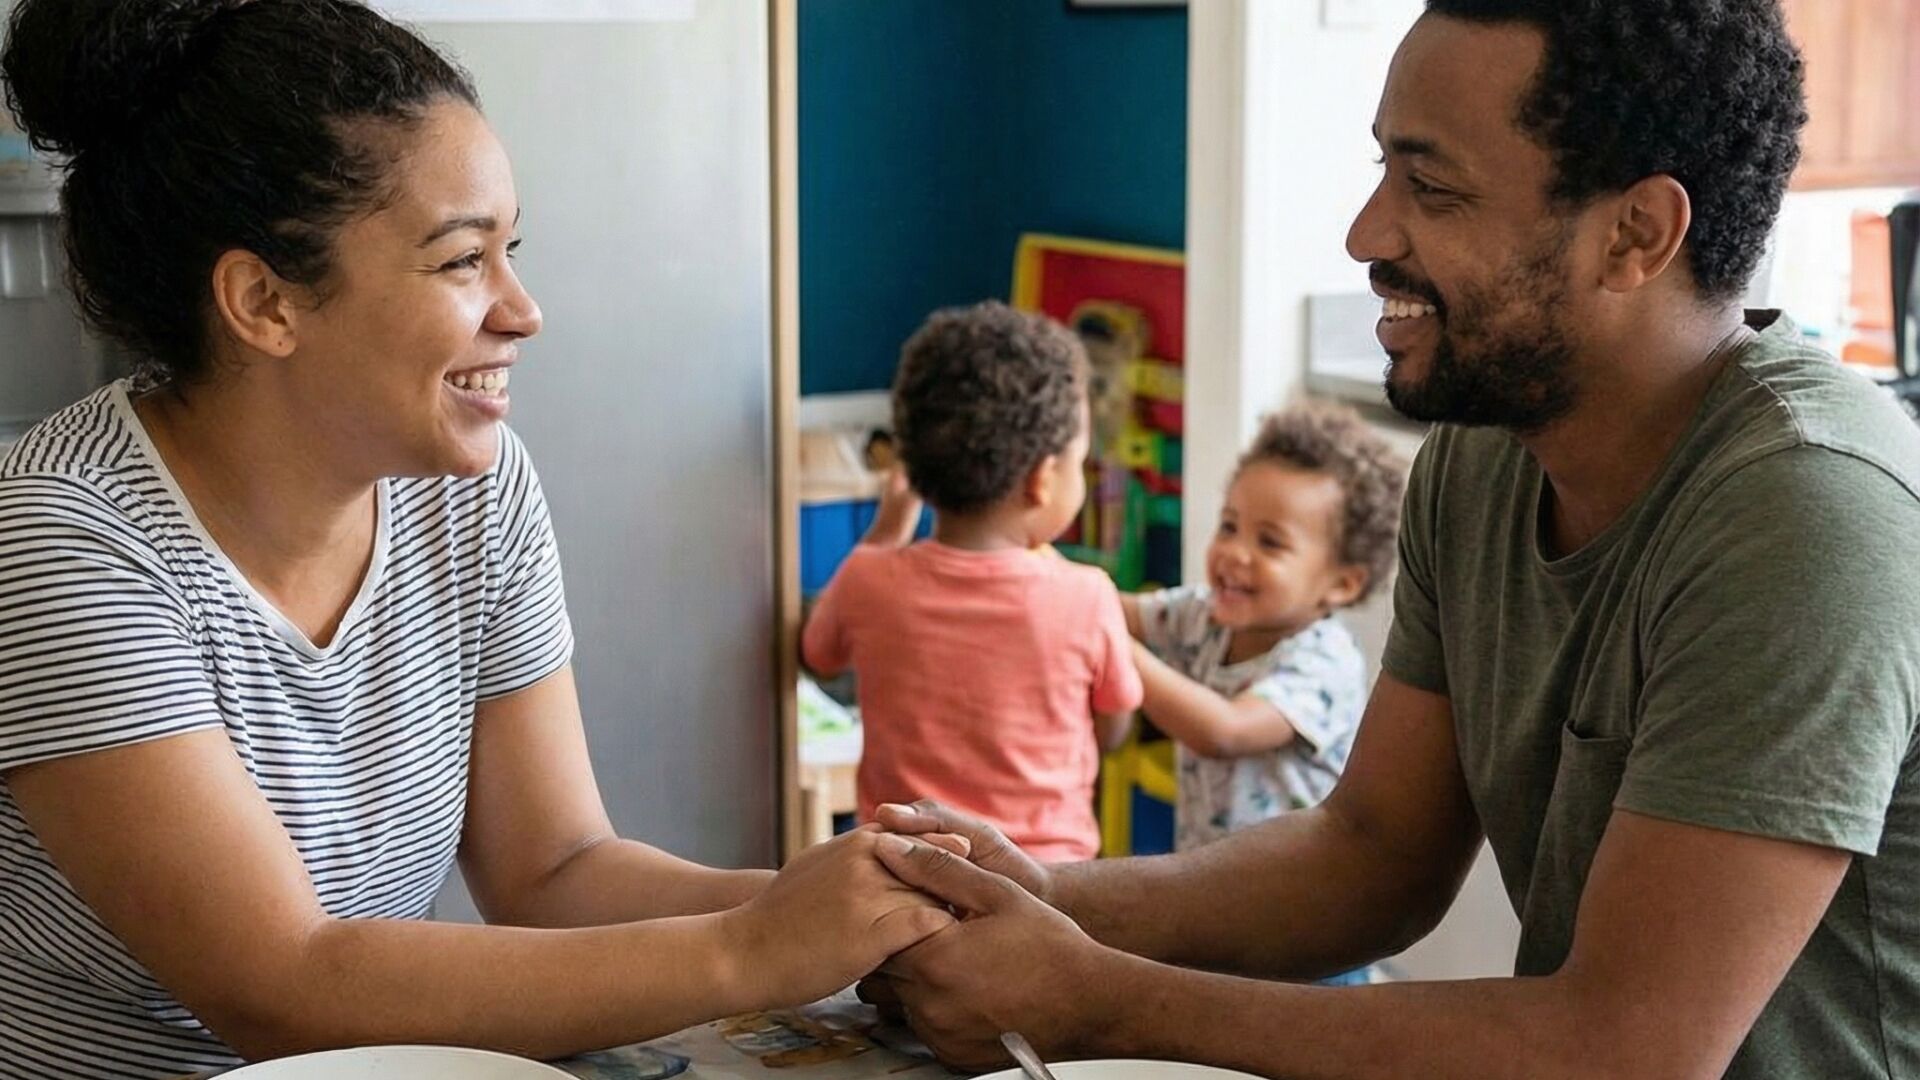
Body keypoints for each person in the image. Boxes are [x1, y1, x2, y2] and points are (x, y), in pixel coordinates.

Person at [861, 2, 1920, 1077]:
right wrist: (1045, 896)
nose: (1367, 233)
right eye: (1385, 170)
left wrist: (1102, 1001)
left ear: (1636, 234)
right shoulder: (1486, 455)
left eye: (1433, 186)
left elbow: (1625, 1052)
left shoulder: (1813, 515)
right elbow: (1371, 857)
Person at [0, 2, 953, 1076]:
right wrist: (751, 948)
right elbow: (282, 984)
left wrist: (865, 904)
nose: (523, 310)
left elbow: (555, 869)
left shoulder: (468, 490)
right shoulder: (62, 540)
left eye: (512, 250)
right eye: (463, 261)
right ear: (264, 301)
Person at [803, 301, 1143, 862]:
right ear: (1041, 480)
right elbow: (1112, 731)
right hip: (1045, 884)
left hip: (902, 872)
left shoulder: (870, 579)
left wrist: (889, 525)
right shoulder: (1086, 595)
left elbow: (819, 653)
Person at [1124, 402, 1401, 855]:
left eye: (1269, 542)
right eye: (1229, 526)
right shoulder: (1204, 613)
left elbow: (1225, 731)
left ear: (1342, 583)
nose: (1234, 552)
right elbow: (1114, 609)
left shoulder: (1322, 663)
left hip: (1288, 903)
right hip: (1205, 878)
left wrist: (1121, 650)